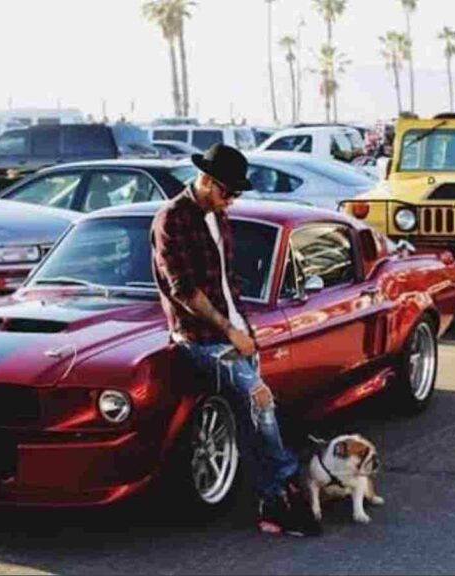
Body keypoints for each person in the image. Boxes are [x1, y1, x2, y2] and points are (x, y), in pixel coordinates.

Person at [151, 144, 321, 537]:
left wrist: (243, 327)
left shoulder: (219, 217)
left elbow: (228, 283)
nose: (232, 200)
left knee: (253, 416)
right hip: (200, 337)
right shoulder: (172, 219)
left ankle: (271, 503)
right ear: (207, 181)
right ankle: (288, 482)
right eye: (228, 192)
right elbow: (184, 290)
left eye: (237, 194)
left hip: (235, 331)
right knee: (259, 402)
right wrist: (230, 332)